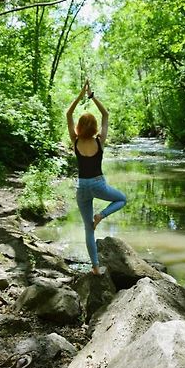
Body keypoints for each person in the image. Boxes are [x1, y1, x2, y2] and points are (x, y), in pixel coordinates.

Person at [66, 79, 127, 275]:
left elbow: (68, 114)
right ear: (93, 128)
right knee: (122, 199)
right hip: (99, 185)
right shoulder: (100, 141)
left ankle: (95, 268)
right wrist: (91, 96)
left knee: (88, 230)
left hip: (82, 187)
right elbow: (106, 114)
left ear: (79, 127)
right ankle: (101, 215)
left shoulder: (75, 141)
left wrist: (80, 94)